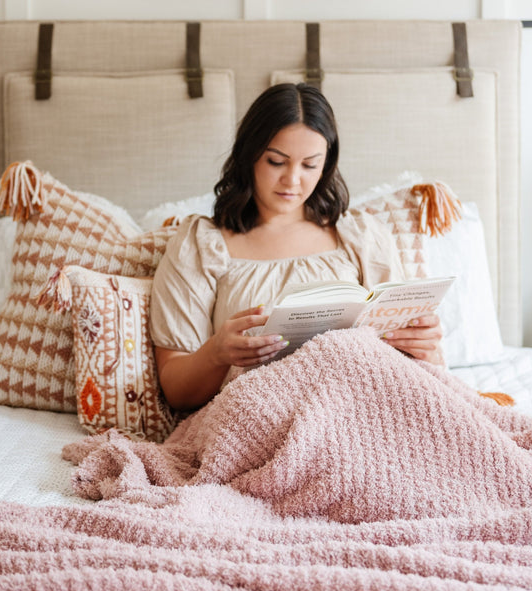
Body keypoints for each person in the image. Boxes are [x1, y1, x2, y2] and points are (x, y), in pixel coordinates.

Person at [150, 83, 443, 412]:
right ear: (250, 156)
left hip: (359, 408)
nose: (292, 180)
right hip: (257, 415)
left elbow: (415, 370)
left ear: (326, 164)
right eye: (277, 161)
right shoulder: (201, 243)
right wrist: (217, 353)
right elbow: (175, 390)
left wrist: (425, 348)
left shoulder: (361, 236)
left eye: (309, 165)